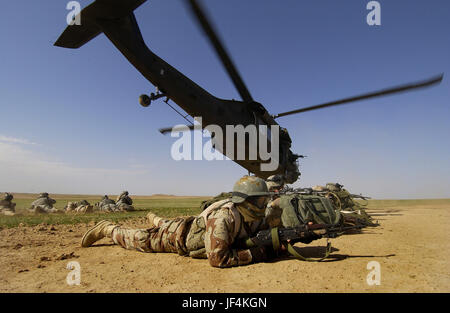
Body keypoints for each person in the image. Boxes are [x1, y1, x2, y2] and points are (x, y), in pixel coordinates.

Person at [81, 176, 279, 268]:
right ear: (244, 201)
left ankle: (154, 218)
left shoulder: (255, 218)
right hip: (175, 238)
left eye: (264, 200)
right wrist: (257, 254)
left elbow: (266, 236)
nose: (263, 204)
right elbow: (218, 259)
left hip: (187, 225)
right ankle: (108, 229)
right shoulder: (224, 218)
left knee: (164, 223)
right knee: (140, 238)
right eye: (259, 200)